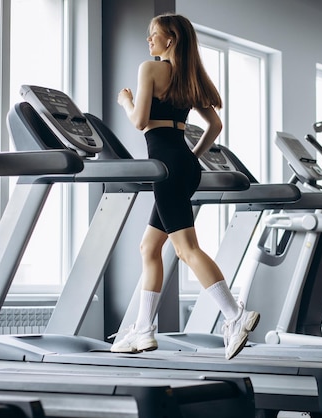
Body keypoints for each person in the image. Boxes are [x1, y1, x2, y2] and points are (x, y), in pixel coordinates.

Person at [111, 13, 259, 360]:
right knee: (149, 248)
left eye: (154, 35)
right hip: (183, 164)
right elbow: (215, 125)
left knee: (185, 249)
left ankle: (236, 316)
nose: (149, 41)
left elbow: (140, 121)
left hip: (166, 166)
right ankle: (144, 329)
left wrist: (124, 100)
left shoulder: (150, 69)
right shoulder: (189, 77)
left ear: (171, 39)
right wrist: (191, 156)